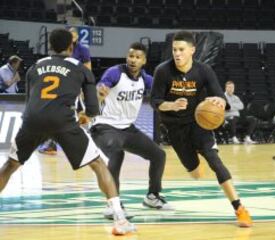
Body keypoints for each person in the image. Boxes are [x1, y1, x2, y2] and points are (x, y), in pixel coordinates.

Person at [0, 28, 135, 235]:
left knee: (10, 165)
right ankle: (119, 218)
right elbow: (91, 110)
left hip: (32, 120)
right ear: (71, 47)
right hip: (62, 121)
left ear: (50, 46)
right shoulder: (81, 68)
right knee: (98, 164)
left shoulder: (35, 67)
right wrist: (84, 116)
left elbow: (30, 102)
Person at [150, 31, 252, 227]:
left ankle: (239, 208)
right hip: (175, 129)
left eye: (181, 50)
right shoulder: (163, 71)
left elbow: (220, 96)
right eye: (174, 50)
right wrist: (171, 105)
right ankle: (197, 155)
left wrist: (219, 101)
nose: (177, 54)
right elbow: (155, 101)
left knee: (215, 161)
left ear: (192, 50)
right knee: (197, 174)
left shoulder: (203, 70)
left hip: (199, 124)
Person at [91, 42, 172, 219]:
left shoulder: (145, 79)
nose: (133, 60)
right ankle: (113, 204)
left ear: (144, 61)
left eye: (137, 57)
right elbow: (101, 87)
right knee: (116, 153)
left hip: (127, 129)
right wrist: (100, 92)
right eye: (131, 56)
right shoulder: (115, 72)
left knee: (159, 155)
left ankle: (152, 196)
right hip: (104, 127)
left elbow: (165, 89)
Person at [38, 27, 92, 155]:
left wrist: (84, 87)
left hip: (74, 86)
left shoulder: (82, 50)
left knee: (79, 115)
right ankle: (52, 144)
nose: (72, 37)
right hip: (61, 86)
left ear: (77, 37)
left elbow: (88, 69)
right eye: (70, 35)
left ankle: (86, 142)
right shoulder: (62, 48)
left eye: (74, 35)